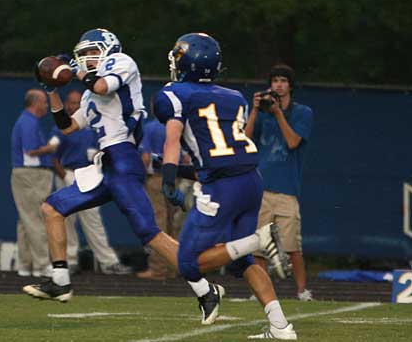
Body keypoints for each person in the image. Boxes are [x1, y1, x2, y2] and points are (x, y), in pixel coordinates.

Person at [22, 29, 287, 313]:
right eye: (83, 54)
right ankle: (60, 280)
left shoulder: (122, 63)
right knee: (52, 209)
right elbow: (67, 126)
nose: (87, 59)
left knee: (150, 234)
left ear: (109, 50)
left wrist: (68, 71)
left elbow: (101, 86)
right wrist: (52, 90)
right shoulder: (88, 95)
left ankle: (205, 289)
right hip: (106, 165)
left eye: (92, 52)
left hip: (124, 161)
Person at [154, 33, 297, 339]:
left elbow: (173, 138)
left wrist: (168, 178)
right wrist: (178, 170)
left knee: (188, 263)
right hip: (250, 180)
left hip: (221, 187)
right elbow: (220, 155)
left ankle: (257, 241)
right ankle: (281, 327)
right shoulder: (233, 97)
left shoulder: (174, 94)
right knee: (241, 263)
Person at [245, 64, 314, 302]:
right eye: (275, 81)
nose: (278, 85)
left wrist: (278, 114)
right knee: (259, 246)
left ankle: (302, 291)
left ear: (290, 86)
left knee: (292, 246)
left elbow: (293, 142)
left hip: (287, 189)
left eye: (283, 81)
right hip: (261, 187)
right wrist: (255, 110)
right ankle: (262, 292)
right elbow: (244, 140)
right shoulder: (262, 112)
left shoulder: (303, 112)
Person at [48, 89, 132, 276]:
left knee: (93, 220)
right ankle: (69, 261)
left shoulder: (92, 127)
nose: (72, 106)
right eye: (70, 102)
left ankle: (108, 262)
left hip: (87, 174)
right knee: (64, 220)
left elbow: (95, 152)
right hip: (68, 173)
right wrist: (64, 176)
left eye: (76, 103)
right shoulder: (61, 128)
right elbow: (54, 157)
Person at [137, 111, 192, 280]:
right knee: (173, 224)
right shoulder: (178, 127)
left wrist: (141, 177)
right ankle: (174, 267)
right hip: (174, 178)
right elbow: (186, 157)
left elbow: (146, 158)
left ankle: (158, 269)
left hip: (155, 179)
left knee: (158, 224)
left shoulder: (150, 127)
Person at [10, 89, 57, 277]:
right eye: (44, 102)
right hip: (31, 175)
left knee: (25, 221)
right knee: (36, 220)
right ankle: (41, 265)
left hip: (25, 174)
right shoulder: (28, 122)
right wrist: (51, 148)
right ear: (35, 103)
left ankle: (25, 264)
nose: (46, 105)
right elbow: (30, 151)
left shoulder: (26, 121)